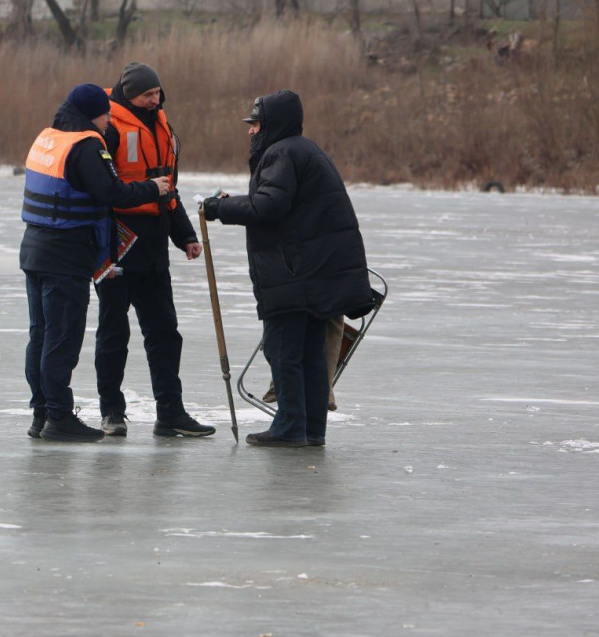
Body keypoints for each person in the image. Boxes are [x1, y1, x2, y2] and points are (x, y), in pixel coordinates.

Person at [203, 90, 373, 448]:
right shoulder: (304, 150)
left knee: (283, 351)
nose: (251, 132)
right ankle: (312, 429)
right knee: (309, 354)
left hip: (294, 276)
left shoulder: (281, 152)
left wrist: (222, 207)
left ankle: (290, 427)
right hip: (314, 274)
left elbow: (269, 206)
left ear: (272, 125)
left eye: (256, 124)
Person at [21, 84, 170, 443]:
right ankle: (58, 417)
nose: (108, 122)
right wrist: (153, 188)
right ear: (94, 114)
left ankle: (42, 413)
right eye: (105, 116)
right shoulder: (86, 145)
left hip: (35, 249)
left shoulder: (51, 137)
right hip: (66, 254)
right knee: (62, 335)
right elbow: (111, 192)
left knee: (40, 334)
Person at [94, 62, 215, 438]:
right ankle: (111, 412)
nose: (155, 99)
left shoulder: (162, 124)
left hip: (155, 243)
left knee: (165, 331)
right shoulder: (108, 127)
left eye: (157, 93)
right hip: (118, 241)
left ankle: (170, 413)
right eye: (147, 94)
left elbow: (169, 188)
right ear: (128, 94)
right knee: (114, 332)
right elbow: (100, 189)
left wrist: (185, 237)